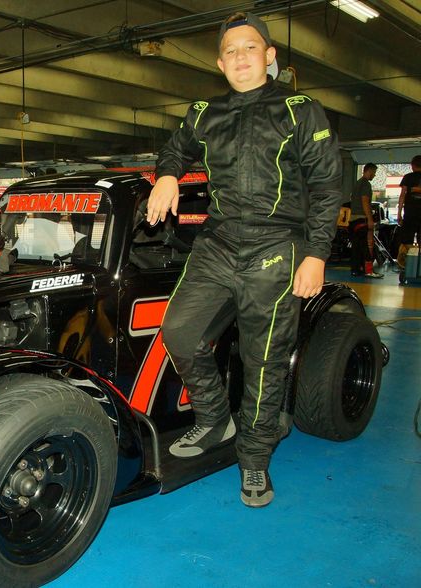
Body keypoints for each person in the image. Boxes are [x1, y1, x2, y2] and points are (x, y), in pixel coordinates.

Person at [146, 12, 342, 508]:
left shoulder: (300, 110)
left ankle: (254, 460)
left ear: (270, 55)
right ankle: (215, 419)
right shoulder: (203, 112)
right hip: (217, 245)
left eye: (250, 48)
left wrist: (316, 254)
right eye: (230, 50)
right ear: (219, 62)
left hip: (277, 248)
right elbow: (175, 151)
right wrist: (167, 175)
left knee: (264, 360)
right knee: (180, 332)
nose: (240, 57)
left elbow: (325, 187)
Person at [348, 163, 383, 278]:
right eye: (374, 173)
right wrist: (370, 219)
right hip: (361, 218)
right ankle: (369, 271)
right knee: (365, 245)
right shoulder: (366, 185)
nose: (374, 175)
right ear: (369, 171)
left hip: (353, 219)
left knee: (356, 246)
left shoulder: (357, 183)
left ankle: (355, 270)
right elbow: (365, 202)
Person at [396, 155, 421, 285]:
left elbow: (402, 196)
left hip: (410, 214)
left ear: (412, 165)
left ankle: (404, 265)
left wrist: (399, 213)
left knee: (406, 241)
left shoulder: (407, 177)